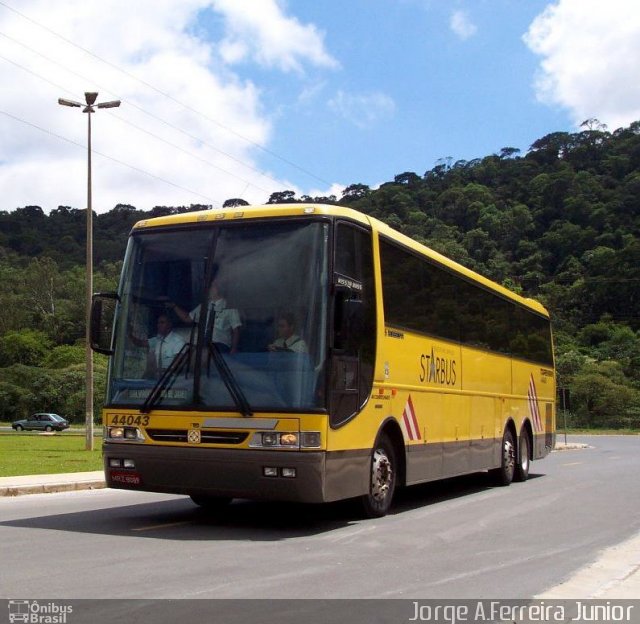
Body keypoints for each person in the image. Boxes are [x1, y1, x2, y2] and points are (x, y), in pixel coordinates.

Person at [170, 280, 241, 354]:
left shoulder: (229, 307)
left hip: (220, 344)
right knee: (184, 350)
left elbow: (236, 330)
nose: (208, 290)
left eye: (211, 287)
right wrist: (174, 306)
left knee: (203, 353)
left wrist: (234, 349)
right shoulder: (203, 306)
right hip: (203, 343)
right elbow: (187, 318)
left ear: (218, 288)